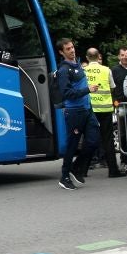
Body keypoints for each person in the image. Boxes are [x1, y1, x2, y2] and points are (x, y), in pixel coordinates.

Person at [55, 38, 100, 190]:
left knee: (94, 141)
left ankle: (76, 167)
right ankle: (64, 176)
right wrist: (88, 90)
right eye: (68, 49)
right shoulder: (63, 70)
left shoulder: (78, 64)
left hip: (87, 110)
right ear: (62, 52)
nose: (72, 50)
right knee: (72, 145)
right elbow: (67, 93)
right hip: (74, 112)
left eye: (72, 47)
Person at [84, 48, 124, 178]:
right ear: (98, 56)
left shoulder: (84, 71)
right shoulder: (106, 70)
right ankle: (113, 170)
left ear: (87, 57)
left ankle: (83, 170)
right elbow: (112, 87)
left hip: (91, 109)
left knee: (89, 139)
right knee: (108, 140)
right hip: (105, 108)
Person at [112, 47, 127, 171]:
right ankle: (124, 160)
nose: (125, 57)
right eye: (122, 55)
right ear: (119, 56)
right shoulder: (114, 70)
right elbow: (111, 87)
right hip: (121, 106)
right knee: (123, 134)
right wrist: (114, 101)